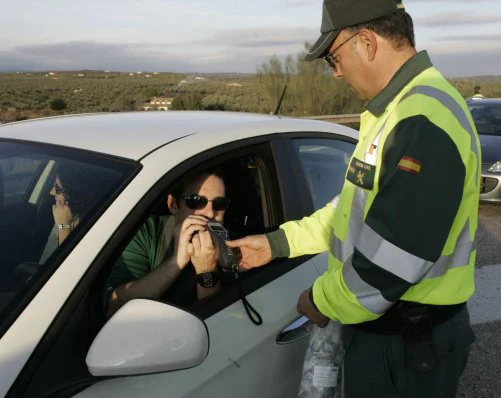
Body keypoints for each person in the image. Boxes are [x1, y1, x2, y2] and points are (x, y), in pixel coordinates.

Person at [227, 1, 481, 397]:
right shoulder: (395, 112)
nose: (336, 71)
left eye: (334, 56)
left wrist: (321, 299)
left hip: (407, 344)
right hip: (393, 334)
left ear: (366, 41)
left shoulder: (423, 119)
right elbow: (349, 212)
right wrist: (277, 243)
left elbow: (391, 261)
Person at [104, 170, 229, 318]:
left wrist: (207, 270)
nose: (210, 213)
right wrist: (176, 262)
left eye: (219, 203)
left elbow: (218, 320)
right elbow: (113, 306)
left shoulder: (232, 247)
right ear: (173, 204)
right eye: (196, 201)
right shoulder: (148, 232)